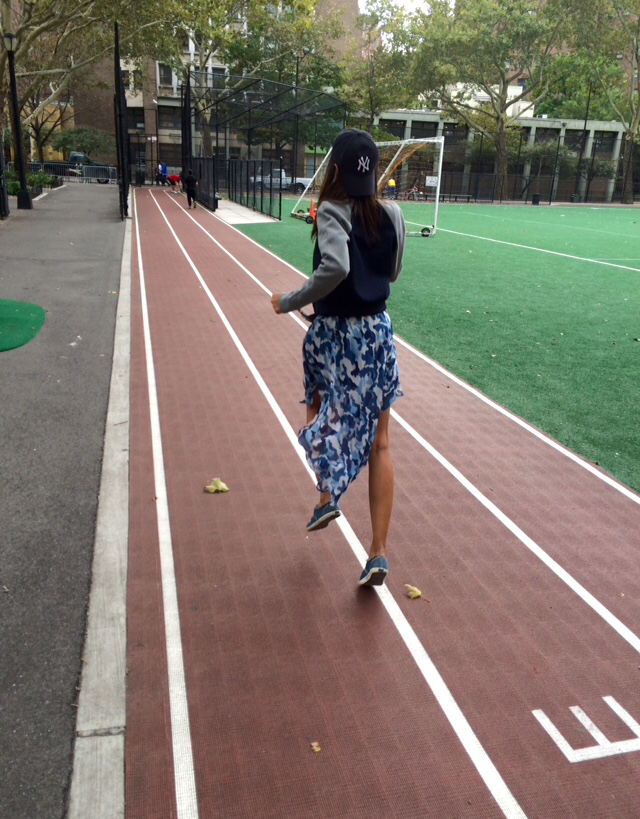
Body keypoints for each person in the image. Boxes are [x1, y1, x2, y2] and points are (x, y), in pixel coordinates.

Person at [270, 129, 406, 587]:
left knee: (320, 407)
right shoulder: (393, 215)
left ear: (335, 170)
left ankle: (327, 495)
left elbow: (336, 268)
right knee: (381, 442)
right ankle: (378, 553)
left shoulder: (331, 210)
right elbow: (392, 272)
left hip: (334, 336)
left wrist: (289, 301)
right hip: (377, 334)